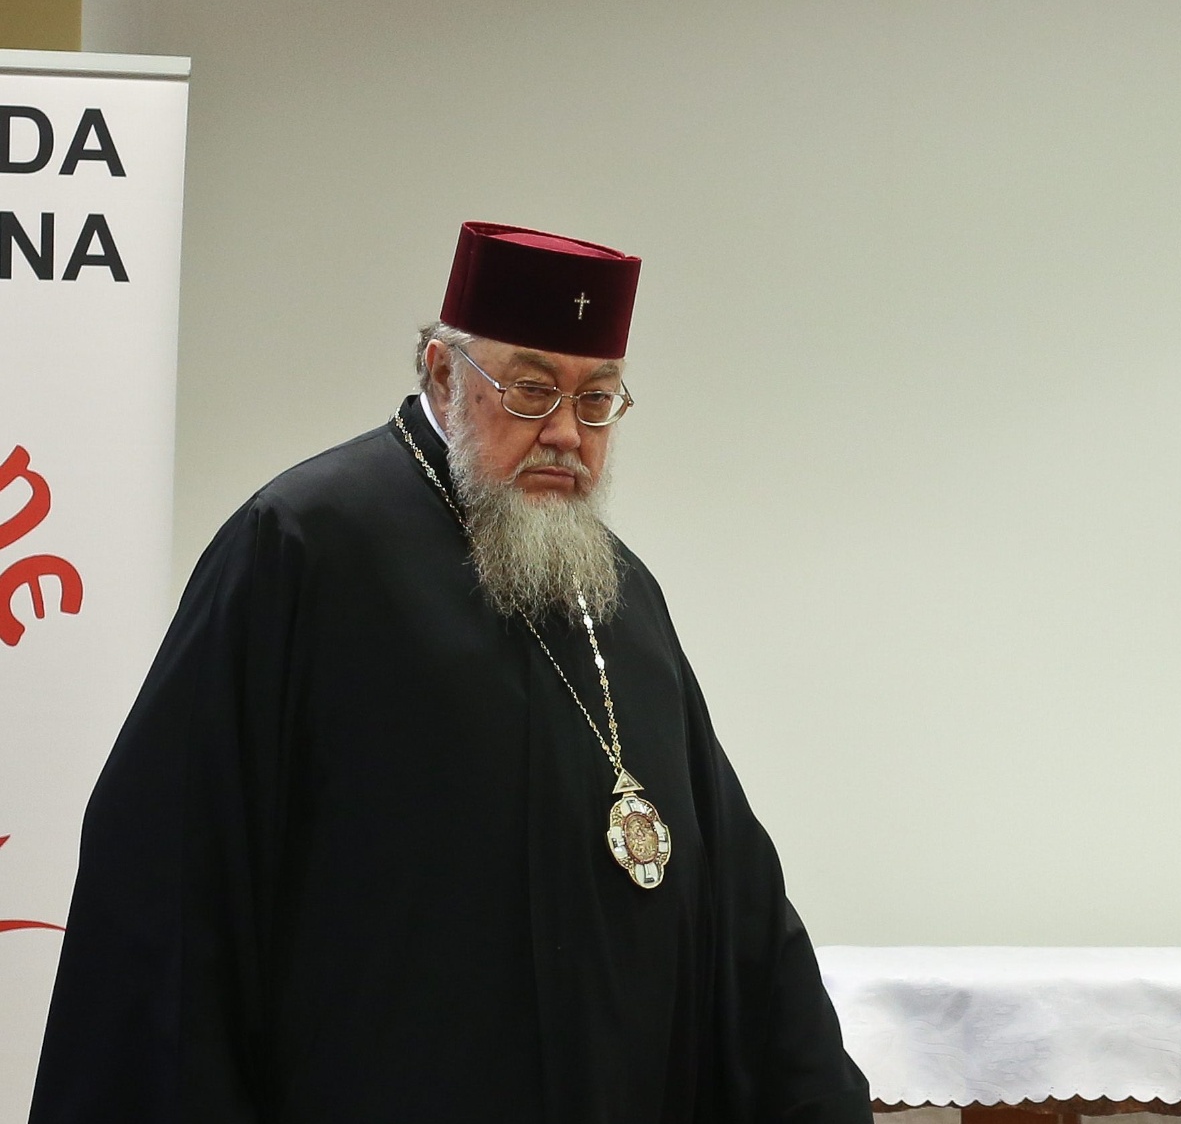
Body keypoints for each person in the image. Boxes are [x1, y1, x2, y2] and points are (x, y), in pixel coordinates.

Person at [33, 222, 871, 1124]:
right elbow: (169, 886)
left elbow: (740, 912)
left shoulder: (622, 596)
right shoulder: (304, 546)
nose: (564, 433)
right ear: (441, 371)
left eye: (597, 400)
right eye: (531, 388)